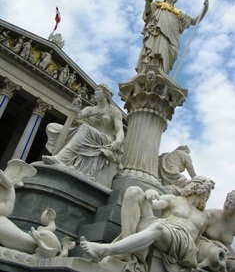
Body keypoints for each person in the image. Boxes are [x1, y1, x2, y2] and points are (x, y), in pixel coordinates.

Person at [80, 176, 215, 272]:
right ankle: (127, 254)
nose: (206, 197)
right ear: (198, 190)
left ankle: (105, 250)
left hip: (182, 242)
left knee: (158, 227)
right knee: (134, 191)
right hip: (163, 227)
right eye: (206, 194)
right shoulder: (174, 199)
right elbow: (153, 204)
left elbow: (201, 240)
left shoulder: (205, 215)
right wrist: (151, 193)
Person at [42, 84, 124, 180]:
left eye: (98, 90)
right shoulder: (90, 109)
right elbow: (78, 116)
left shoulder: (114, 111)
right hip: (89, 135)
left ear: (106, 94)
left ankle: (61, 158)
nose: (94, 92)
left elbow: (120, 130)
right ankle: (64, 156)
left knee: (85, 128)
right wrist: (76, 109)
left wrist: (118, 141)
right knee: (52, 127)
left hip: (105, 139)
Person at [135, 0, 209, 75]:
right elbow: (147, 14)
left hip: (171, 39)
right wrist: (148, 1)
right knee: (154, 52)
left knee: (165, 56)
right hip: (157, 33)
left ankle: (162, 73)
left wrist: (205, 10)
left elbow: (194, 21)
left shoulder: (178, 13)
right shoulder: (158, 5)